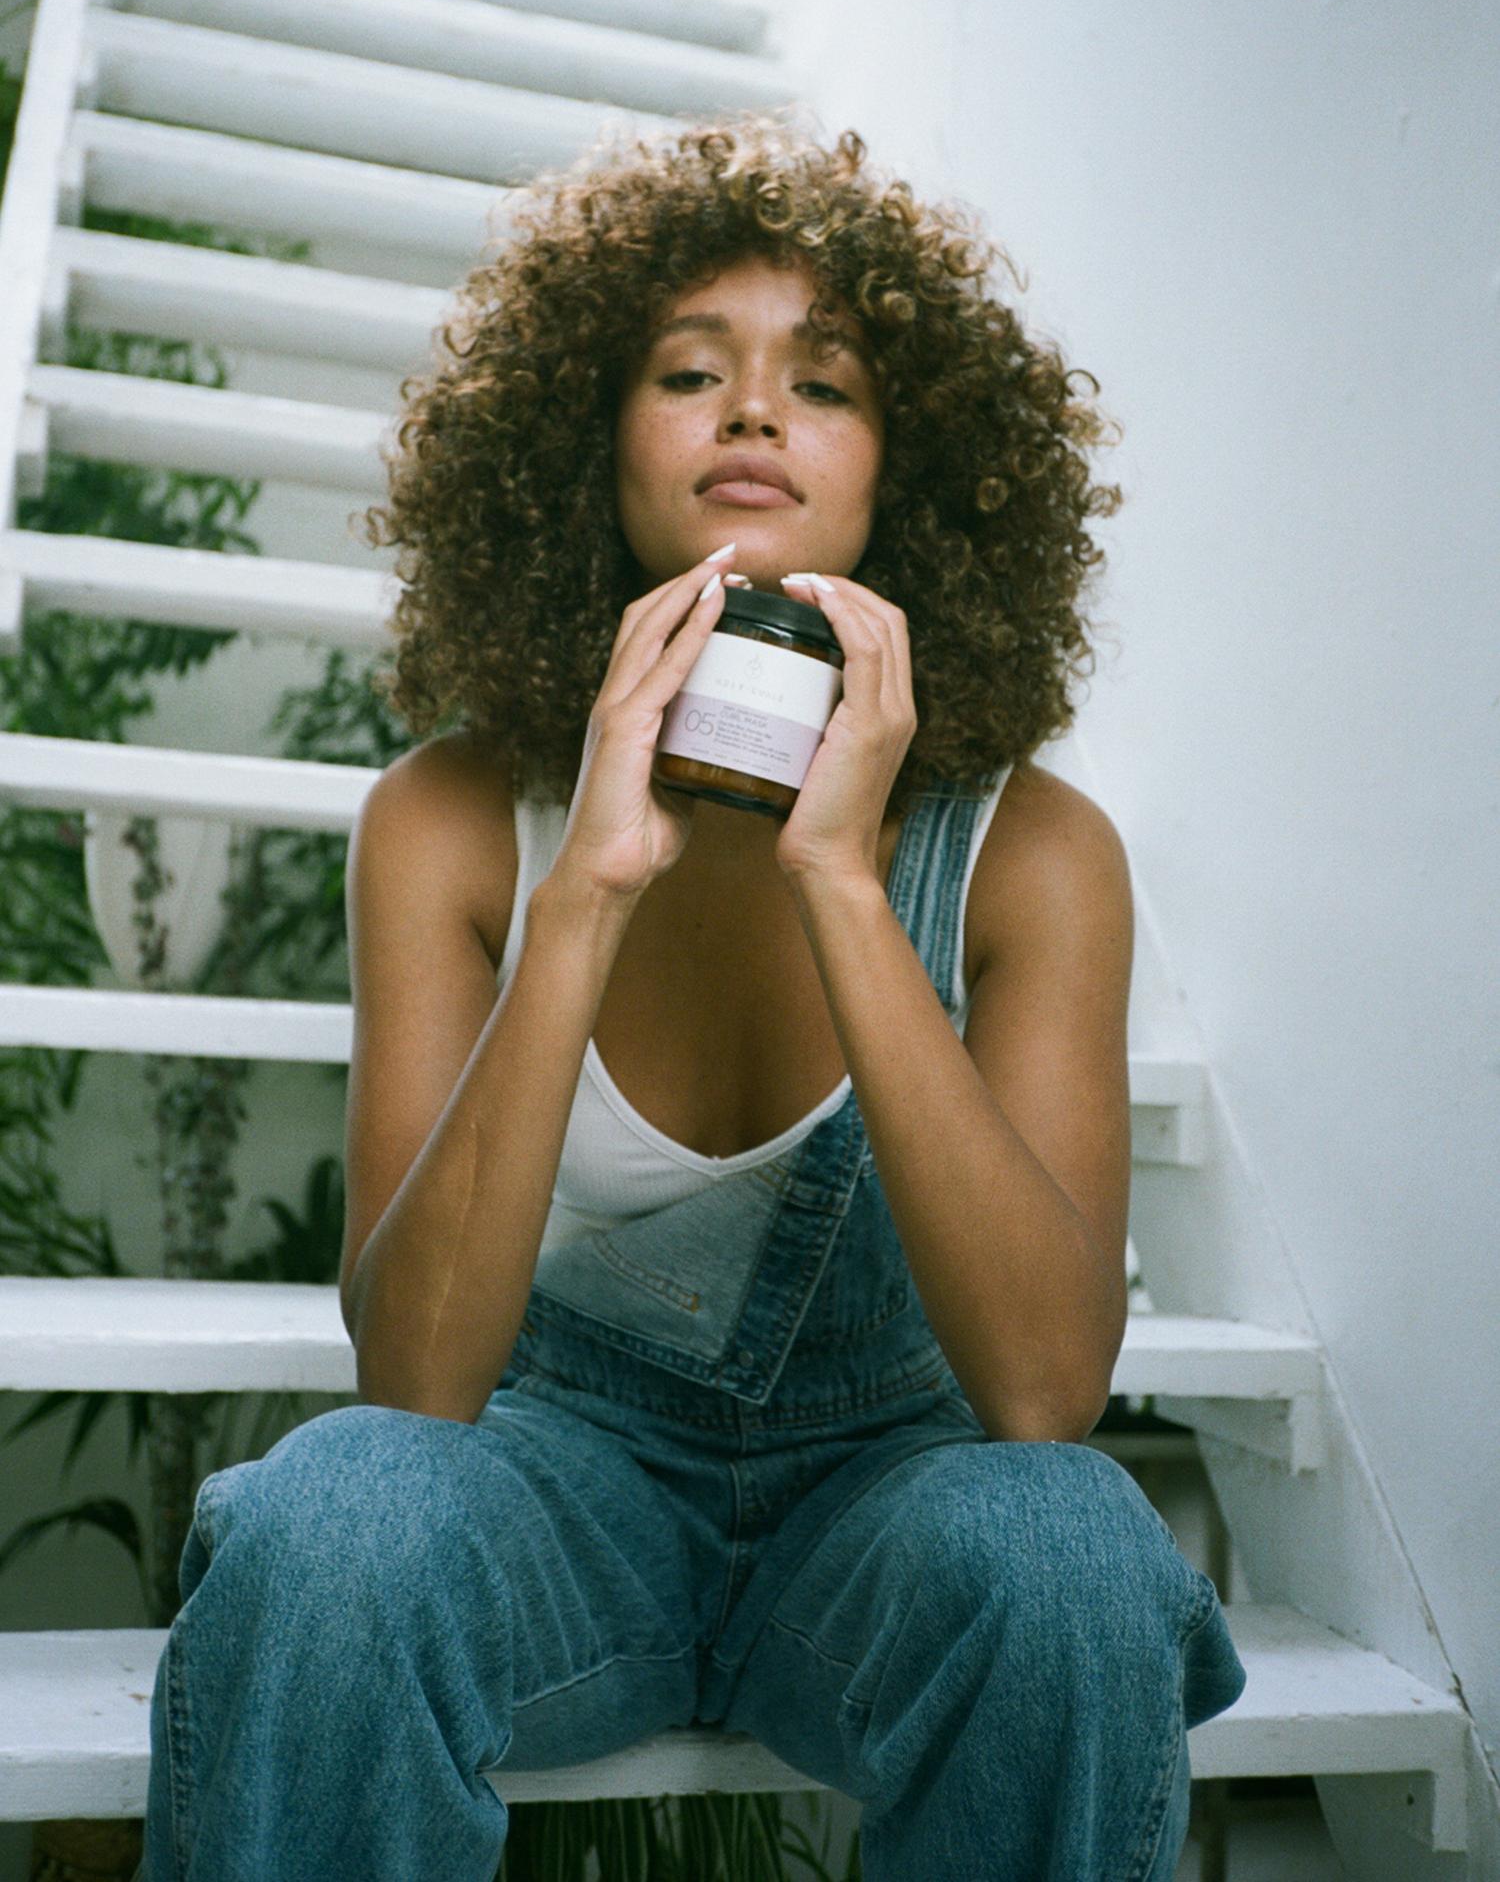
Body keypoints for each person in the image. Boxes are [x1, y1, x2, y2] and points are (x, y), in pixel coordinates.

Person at [140, 112, 1246, 1880]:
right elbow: (418, 1373)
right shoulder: (451, 820)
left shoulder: (1036, 854)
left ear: (911, 470)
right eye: (688, 370)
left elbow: (1042, 1387)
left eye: (824, 382)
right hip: (559, 1488)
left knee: (1070, 1548)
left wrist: (837, 874)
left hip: (894, 1514)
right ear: (593, 444)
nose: (751, 411)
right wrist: (584, 883)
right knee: (330, 1520)